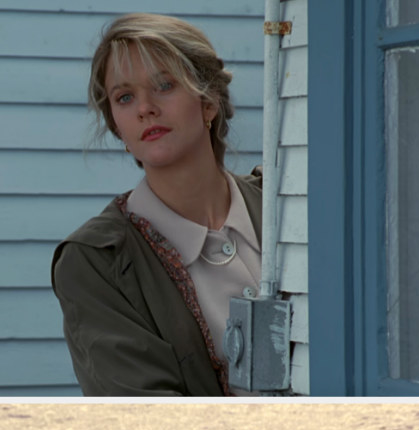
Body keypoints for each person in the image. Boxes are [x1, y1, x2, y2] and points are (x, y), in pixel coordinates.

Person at [52, 13, 262, 397]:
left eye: (164, 85)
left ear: (208, 102)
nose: (145, 108)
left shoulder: (288, 205)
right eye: (125, 97)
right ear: (117, 127)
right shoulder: (97, 261)